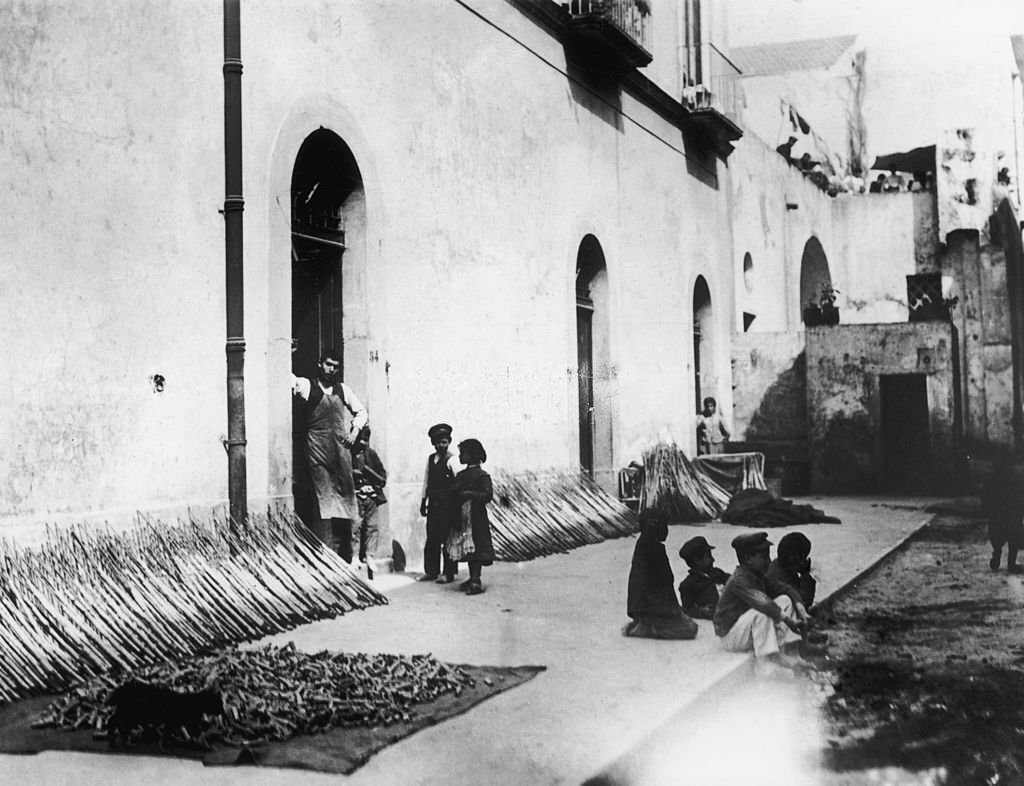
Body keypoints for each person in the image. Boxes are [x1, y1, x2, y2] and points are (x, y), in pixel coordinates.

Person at [292, 348, 368, 561]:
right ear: (319, 364)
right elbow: (287, 379)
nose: (331, 369)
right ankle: (324, 554)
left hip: (340, 450)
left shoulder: (342, 389)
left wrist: (354, 432)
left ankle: (346, 554)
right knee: (323, 498)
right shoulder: (308, 386)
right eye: (328, 364)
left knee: (345, 496)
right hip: (317, 448)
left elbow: (361, 412)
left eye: (335, 366)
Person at [713, 532, 813, 672]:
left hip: (747, 630)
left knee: (784, 600)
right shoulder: (739, 580)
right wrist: (787, 620)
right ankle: (766, 665)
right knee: (763, 613)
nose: (768, 560)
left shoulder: (758, 575)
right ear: (748, 558)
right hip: (731, 636)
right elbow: (762, 602)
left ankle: (779, 650)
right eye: (764, 557)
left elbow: (785, 589)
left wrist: (801, 609)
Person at [624, 510, 698, 640]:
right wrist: (673, 611)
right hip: (652, 607)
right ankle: (651, 628)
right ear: (655, 526)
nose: (667, 530)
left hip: (642, 606)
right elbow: (664, 584)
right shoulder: (654, 549)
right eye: (665, 526)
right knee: (691, 628)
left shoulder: (643, 544)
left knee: (686, 620)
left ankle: (644, 622)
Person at [450, 438, 495, 595]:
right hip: (463, 517)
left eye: (463, 453)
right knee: (468, 548)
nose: (461, 456)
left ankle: (476, 580)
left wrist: (469, 494)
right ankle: (472, 577)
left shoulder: (482, 476)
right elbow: (454, 491)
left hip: (476, 518)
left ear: (473, 455)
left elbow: (487, 495)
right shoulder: (461, 475)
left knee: (476, 548)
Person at [419, 423, 460, 583]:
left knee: (447, 539)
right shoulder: (431, 459)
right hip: (434, 505)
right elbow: (426, 481)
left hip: (448, 506)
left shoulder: (453, 460)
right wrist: (423, 502)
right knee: (432, 538)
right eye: (437, 442)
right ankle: (431, 571)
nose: (440, 445)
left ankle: (448, 573)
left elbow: (459, 481)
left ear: (448, 442)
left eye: (443, 442)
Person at [351, 425, 387, 580]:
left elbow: (382, 475)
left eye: (366, 439)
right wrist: (353, 474)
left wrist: (372, 478)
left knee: (372, 527)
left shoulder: (371, 455)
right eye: (360, 439)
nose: (363, 443)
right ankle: (354, 557)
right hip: (356, 496)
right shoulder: (349, 455)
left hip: (371, 496)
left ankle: (370, 555)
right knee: (355, 527)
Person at [982, 454, 1023, 573]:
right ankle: (1011, 563)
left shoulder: (991, 478)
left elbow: (986, 495)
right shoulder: (1014, 479)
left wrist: (986, 508)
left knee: (997, 538)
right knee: (1013, 539)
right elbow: (1020, 495)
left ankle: (996, 555)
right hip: (1012, 513)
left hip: (997, 513)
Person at [677, 535, 730, 620]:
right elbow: (688, 609)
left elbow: (734, 581)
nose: (713, 559)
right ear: (696, 560)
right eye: (708, 556)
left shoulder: (717, 573)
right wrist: (702, 611)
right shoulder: (688, 585)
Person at [766, 531, 817, 609]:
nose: (804, 560)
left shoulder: (784, 568)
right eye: (802, 556)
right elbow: (804, 602)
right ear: (792, 557)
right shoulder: (778, 576)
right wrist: (805, 574)